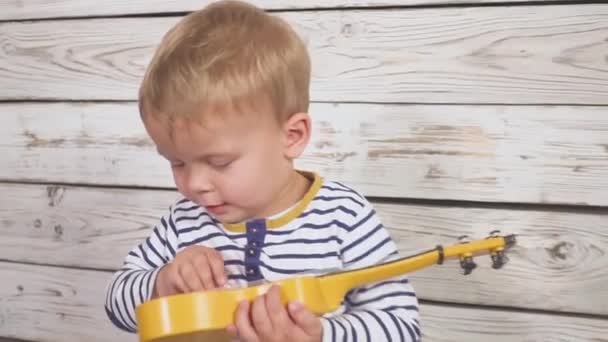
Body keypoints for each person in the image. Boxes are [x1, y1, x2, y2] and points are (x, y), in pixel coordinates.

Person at [104, 1, 420, 341]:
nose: (194, 185)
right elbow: (116, 302)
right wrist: (162, 282)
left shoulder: (343, 215)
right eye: (176, 162)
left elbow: (402, 327)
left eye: (219, 162)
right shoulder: (184, 221)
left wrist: (323, 334)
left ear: (292, 137)